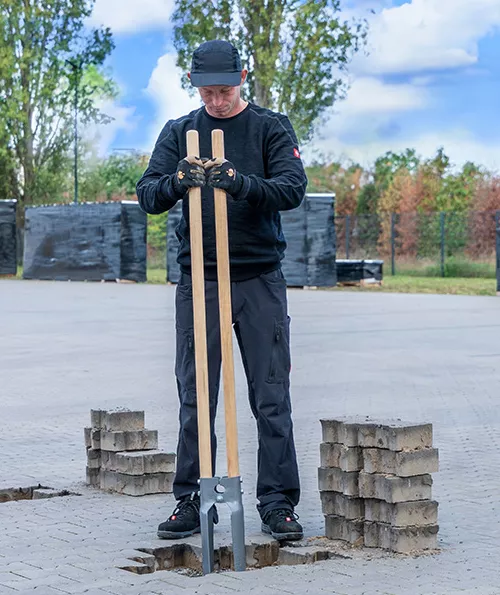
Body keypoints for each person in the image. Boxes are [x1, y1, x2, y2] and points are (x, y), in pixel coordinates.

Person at [136, 39, 307, 542]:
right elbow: (148, 194)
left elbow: (292, 188)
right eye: (207, 92)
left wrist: (240, 182)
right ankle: (191, 499)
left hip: (258, 280)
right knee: (196, 394)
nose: (215, 101)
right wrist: (176, 182)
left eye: (224, 91)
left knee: (271, 396)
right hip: (200, 281)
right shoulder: (180, 131)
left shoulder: (270, 128)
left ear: (243, 78)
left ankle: (277, 504)